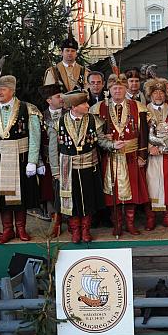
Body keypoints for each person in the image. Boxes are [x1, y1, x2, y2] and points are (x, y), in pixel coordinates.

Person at [0, 72, 41, 244]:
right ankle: (8, 229)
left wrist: (32, 161)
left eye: (2, 89)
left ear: (12, 90)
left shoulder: (28, 109)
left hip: (21, 156)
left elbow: (35, 137)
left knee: (19, 196)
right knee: (4, 197)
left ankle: (21, 228)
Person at [92, 74, 150, 236]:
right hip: (109, 156)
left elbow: (143, 133)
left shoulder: (138, 107)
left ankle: (130, 223)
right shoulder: (99, 108)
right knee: (112, 193)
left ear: (126, 89)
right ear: (109, 89)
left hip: (131, 155)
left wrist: (142, 156)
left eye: (120, 88)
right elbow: (94, 134)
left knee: (133, 191)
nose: (117, 90)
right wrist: (104, 137)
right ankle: (117, 223)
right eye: (114, 88)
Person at [47, 90, 106, 243]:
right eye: (84, 103)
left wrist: (113, 145)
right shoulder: (57, 123)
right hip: (67, 168)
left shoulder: (94, 120)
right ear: (73, 107)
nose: (88, 106)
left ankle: (86, 230)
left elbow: (101, 141)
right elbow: (53, 150)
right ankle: (75, 230)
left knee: (88, 199)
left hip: (89, 166)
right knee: (71, 200)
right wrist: (55, 171)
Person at [145, 77, 168, 230]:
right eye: (155, 93)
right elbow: (141, 133)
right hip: (151, 156)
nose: (158, 96)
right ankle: (151, 218)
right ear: (150, 95)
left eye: (161, 93)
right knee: (150, 185)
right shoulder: (143, 110)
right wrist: (148, 148)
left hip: (167, 154)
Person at [37, 84, 63, 234]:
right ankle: (55, 221)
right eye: (58, 96)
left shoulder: (69, 113)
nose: (61, 99)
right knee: (50, 191)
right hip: (47, 160)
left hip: (68, 158)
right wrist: (39, 161)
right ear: (49, 100)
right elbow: (37, 141)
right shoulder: (41, 117)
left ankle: (71, 220)